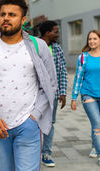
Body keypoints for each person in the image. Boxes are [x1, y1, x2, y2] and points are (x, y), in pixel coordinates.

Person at [0, 0, 57, 171]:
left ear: (23, 19)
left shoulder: (38, 46)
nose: (6, 19)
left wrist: (34, 117)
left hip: (28, 125)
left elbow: (50, 84)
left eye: (12, 15)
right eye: (3, 15)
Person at [71, 30, 100, 167]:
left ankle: (94, 146)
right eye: (90, 39)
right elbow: (78, 77)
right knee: (97, 124)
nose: (92, 41)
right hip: (88, 95)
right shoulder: (83, 58)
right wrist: (74, 97)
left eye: (94, 39)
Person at [39, 20, 68, 167]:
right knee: (34, 123)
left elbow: (62, 71)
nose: (58, 34)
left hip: (54, 95)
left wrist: (62, 92)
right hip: (36, 95)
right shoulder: (35, 47)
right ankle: (33, 152)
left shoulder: (57, 48)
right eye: (56, 31)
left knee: (50, 123)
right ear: (47, 33)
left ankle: (46, 153)